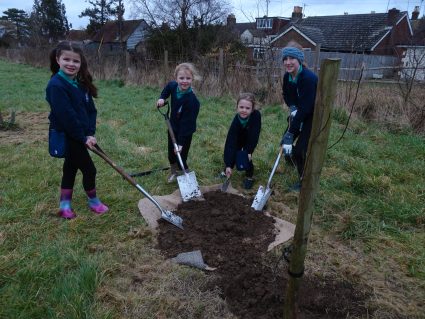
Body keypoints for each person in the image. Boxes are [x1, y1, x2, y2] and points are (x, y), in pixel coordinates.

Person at [46, 41, 108, 219]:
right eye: (67, 59)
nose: (71, 64)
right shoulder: (56, 85)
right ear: (58, 59)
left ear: (81, 64)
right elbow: (67, 117)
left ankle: (64, 204)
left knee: (70, 168)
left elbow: (91, 110)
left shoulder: (80, 84)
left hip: (81, 134)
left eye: (76, 61)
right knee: (89, 169)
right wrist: (83, 138)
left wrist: (90, 133)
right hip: (68, 135)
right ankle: (93, 201)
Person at [280, 45, 318, 191]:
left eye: (292, 59)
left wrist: (291, 132)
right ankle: (294, 162)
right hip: (298, 113)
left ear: (300, 60)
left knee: (299, 150)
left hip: (311, 117)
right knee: (284, 143)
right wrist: (292, 107)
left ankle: (304, 180)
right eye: (285, 59)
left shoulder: (308, 78)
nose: (288, 62)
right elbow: (286, 95)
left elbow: (307, 107)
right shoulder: (287, 76)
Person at [156, 63, 201, 183]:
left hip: (186, 132)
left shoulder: (192, 101)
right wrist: (162, 98)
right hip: (172, 127)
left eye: (188, 78)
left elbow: (187, 124)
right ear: (176, 78)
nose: (184, 81)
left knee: (181, 155)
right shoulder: (173, 86)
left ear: (192, 79)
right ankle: (173, 172)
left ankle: (185, 173)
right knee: (171, 154)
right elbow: (167, 89)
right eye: (181, 78)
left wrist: (180, 143)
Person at [223, 92, 261, 190]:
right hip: (238, 138)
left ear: (252, 109)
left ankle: (249, 176)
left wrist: (249, 151)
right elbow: (230, 143)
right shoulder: (236, 122)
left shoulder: (256, 116)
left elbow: (254, 136)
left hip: (249, 138)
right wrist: (228, 164)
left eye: (247, 108)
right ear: (237, 107)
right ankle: (228, 169)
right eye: (241, 107)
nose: (244, 110)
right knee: (234, 152)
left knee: (245, 158)